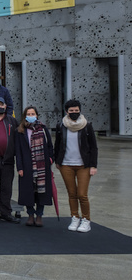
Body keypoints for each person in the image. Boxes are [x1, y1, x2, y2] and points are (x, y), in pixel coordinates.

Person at [55, 99, 98, 233]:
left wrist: (93, 165)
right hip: (66, 164)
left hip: (83, 165)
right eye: (71, 110)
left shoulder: (87, 125)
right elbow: (58, 144)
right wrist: (57, 161)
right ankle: (75, 217)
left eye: (76, 110)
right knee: (72, 193)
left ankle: (86, 220)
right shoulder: (61, 126)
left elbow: (93, 147)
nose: (74, 112)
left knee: (82, 194)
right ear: (66, 111)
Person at [16, 106, 54, 227]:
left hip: (42, 166)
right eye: (28, 114)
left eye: (33, 113)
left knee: (41, 192)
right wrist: (20, 167)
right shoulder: (21, 131)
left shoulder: (43, 129)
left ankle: (39, 215)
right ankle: (30, 214)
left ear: (37, 115)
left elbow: (50, 146)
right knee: (28, 191)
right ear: (25, 116)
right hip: (27, 166)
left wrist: (50, 159)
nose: (31, 116)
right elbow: (18, 151)